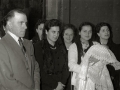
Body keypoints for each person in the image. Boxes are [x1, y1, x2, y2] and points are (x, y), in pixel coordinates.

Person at [0, 9, 40, 90]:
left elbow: (35, 67)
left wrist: (36, 87)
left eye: (25, 23)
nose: (25, 27)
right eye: (21, 23)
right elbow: (7, 80)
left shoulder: (28, 44)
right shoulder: (2, 45)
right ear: (10, 24)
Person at [34, 19, 69, 90]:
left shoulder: (61, 46)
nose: (56, 35)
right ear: (46, 31)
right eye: (53, 32)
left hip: (61, 86)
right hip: (47, 86)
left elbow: (66, 67)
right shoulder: (38, 47)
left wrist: (62, 84)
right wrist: (55, 85)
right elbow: (39, 70)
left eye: (58, 32)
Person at [68, 22, 95, 90]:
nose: (87, 34)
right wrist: (86, 70)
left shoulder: (95, 45)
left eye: (90, 31)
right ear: (79, 32)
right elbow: (71, 65)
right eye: (85, 31)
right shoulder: (74, 46)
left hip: (95, 79)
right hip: (80, 80)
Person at [95, 22, 120, 90]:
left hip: (113, 80)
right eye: (103, 30)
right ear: (98, 34)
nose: (106, 32)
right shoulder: (94, 47)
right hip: (97, 81)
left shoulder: (116, 48)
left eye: (108, 30)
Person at [61, 24, 78, 90]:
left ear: (74, 36)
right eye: (66, 34)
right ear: (63, 35)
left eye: (71, 34)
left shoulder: (76, 48)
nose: (69, 37)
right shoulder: (58, 48)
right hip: (62, 78)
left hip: (73, 77)